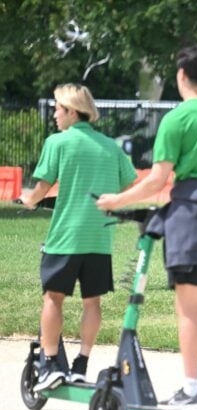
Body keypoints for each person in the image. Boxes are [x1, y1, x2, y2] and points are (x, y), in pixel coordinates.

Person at [96, 44, 197, 410]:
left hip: (192, 216)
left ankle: (191, 391)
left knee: (187, 310)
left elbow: (157, 180)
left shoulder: (177, 119)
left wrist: (116, 200)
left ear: (181, 75)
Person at [18, 83, 137, 391]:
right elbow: (129, 185)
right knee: (91, 301)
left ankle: (49, 365)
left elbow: (41, 188)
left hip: (66, 236)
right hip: (100, 239)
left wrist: (28, 199)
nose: (54, 115)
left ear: (72, 111)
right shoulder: (110, 146)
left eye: (58, 109)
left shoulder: (58, 142)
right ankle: (81, 365)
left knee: (53, 298)